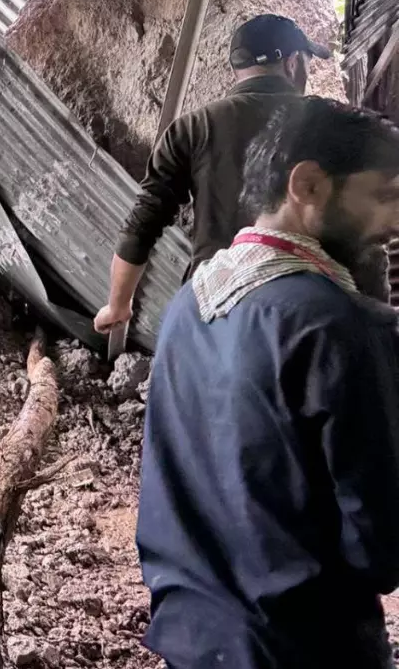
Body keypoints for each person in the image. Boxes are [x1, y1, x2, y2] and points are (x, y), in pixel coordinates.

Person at [136, 98, 399, 668]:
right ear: (308, 185)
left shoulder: (187, 304)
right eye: (384, 196)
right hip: (305, 649)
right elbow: (381, 548)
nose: (395, 221)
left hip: (193, 638)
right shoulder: (339, 327)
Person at [93, 14, 390, 334]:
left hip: (215, 313)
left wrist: (118, 304)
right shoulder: (335, 128)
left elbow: (143, 223)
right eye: (307, 62)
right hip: (314, 317)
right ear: (292, 63)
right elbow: (368, 240)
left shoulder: (193, 128)